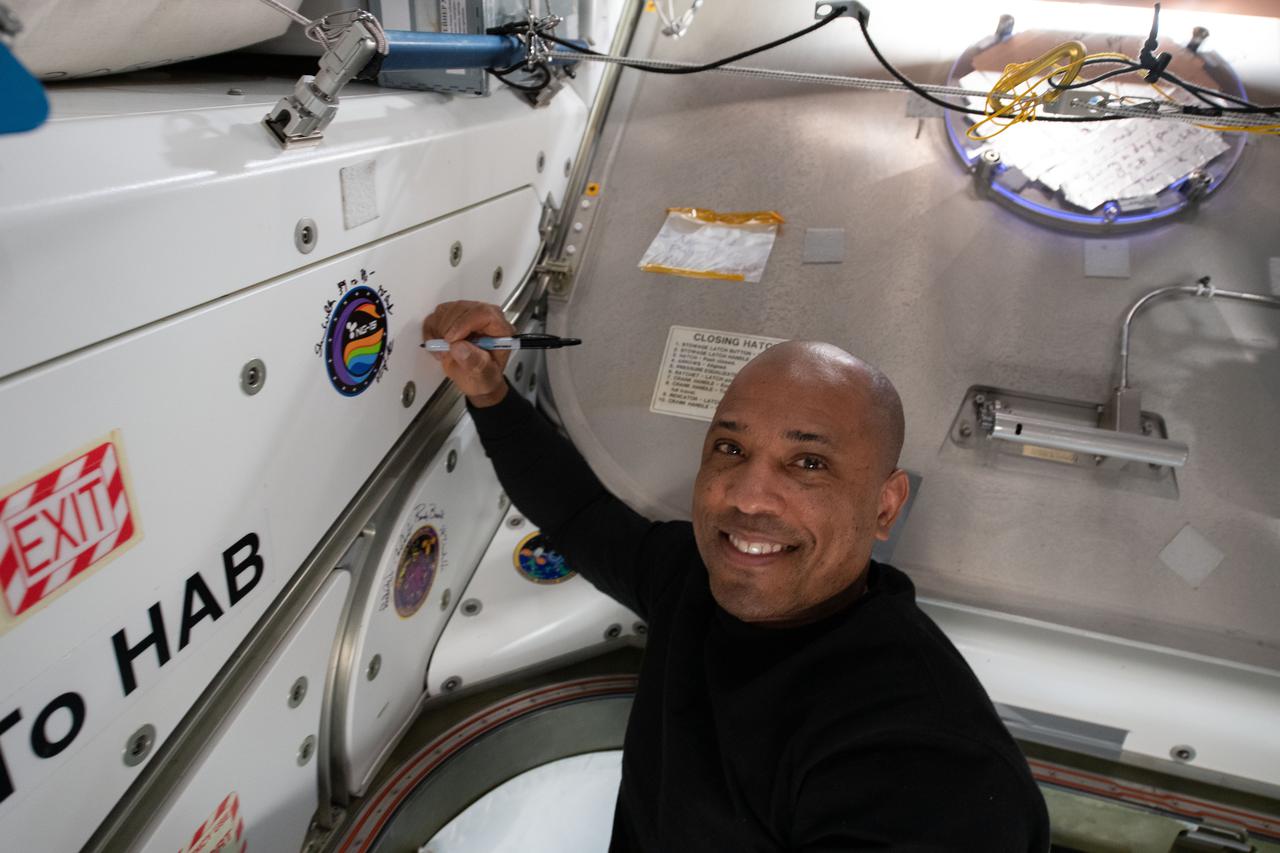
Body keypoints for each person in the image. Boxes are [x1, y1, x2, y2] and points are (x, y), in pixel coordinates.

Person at [422, 301, 1051, 852]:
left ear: (884, 507)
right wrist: (488, 390)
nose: (749, 497)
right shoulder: (691, 577)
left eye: (808, 462)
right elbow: (579, 514)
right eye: (730, 449)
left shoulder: (928, 766)